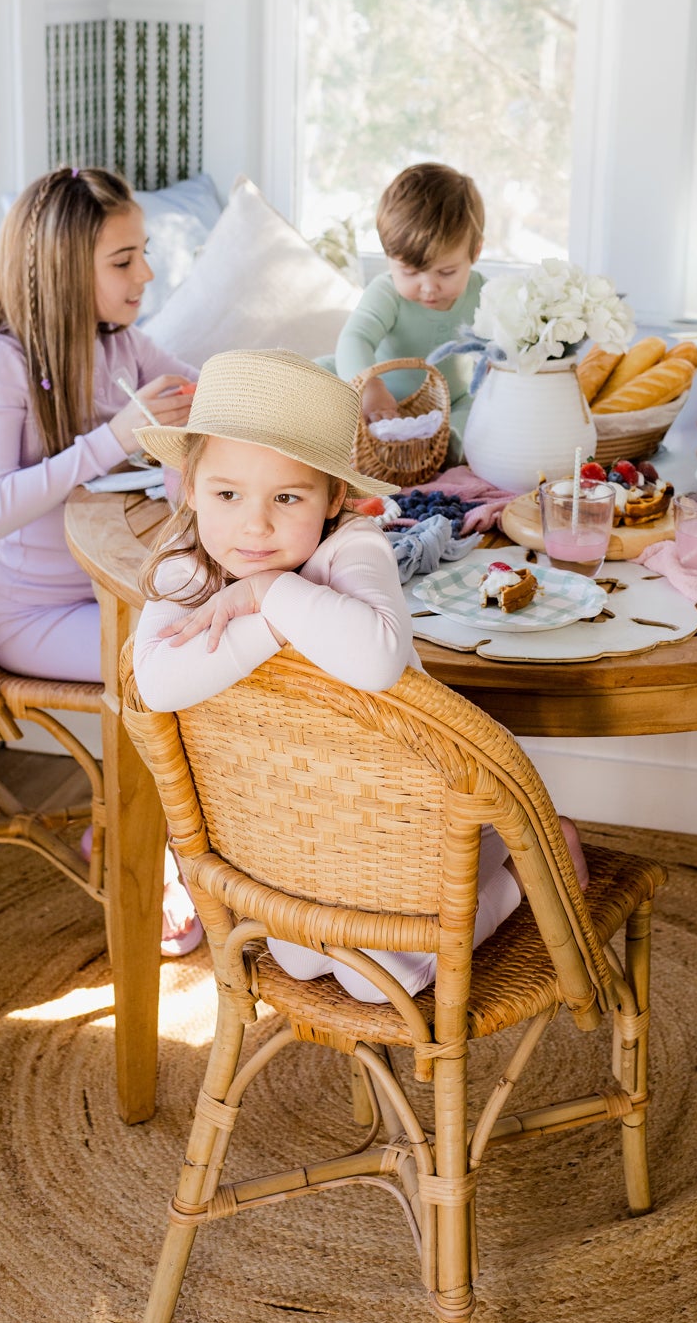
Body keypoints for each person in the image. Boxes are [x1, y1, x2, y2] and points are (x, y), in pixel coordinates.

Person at [133, 348, 588, 1002]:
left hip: (413, 814)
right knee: (298, 960)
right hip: (296, 826)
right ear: (190, 488)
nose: (255, 523)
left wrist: (270, 593)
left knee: (380, 981)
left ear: (333, 499)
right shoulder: (186, 566)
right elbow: (156, 684)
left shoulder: (354, 547)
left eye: (287, 496)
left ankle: (522, 869)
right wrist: (268, 620)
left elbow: (377, 659)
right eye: (227, 494)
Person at [0, 165, 202, 951]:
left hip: (116, 592)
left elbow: (201, 388)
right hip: (33, 613)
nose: (146, 274)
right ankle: (139, 847)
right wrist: (114, 438)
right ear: (66, 270)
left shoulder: (121, 345)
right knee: (175, 667)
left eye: (143, 253)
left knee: (215, 640)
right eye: (124, 260)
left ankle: (200, 846)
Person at [334, 163, 486, 459]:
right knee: (322, 373)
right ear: (388, 256)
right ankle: (367, 439)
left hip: (449, 406)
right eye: (410, 272)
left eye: (446, 272)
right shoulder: (386, 292)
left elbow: (503, 350)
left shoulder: (483, 294)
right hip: (380, 406)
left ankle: (439, 450)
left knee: (478, 415)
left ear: (475, 252)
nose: (428, 288)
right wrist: (370, 388)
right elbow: (356, 338)